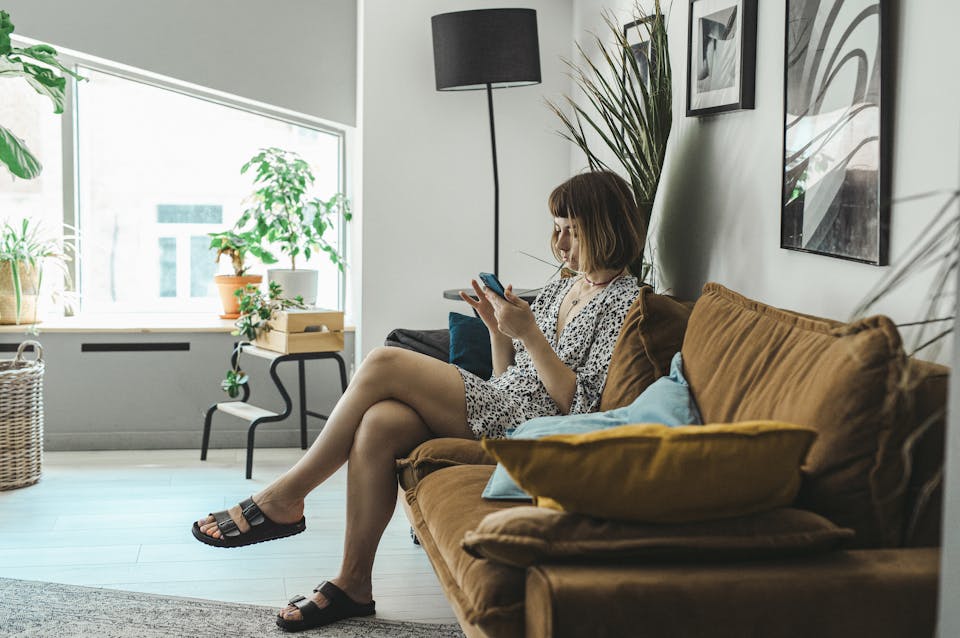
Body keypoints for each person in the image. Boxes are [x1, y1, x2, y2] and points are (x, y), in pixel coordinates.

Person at [191, 170, 646, 632]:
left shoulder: (626, 302)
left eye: (573, 230)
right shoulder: (563, 286)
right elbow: (509, 376)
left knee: (384, 362)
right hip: (505, 401)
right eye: (556, 228)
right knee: (380, 423)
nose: (560, 243)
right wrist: (497, 330)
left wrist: (528, 332)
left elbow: (581, 407)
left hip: (529, 425)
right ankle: (353, 585)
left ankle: (284, 498)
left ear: (605, 228)